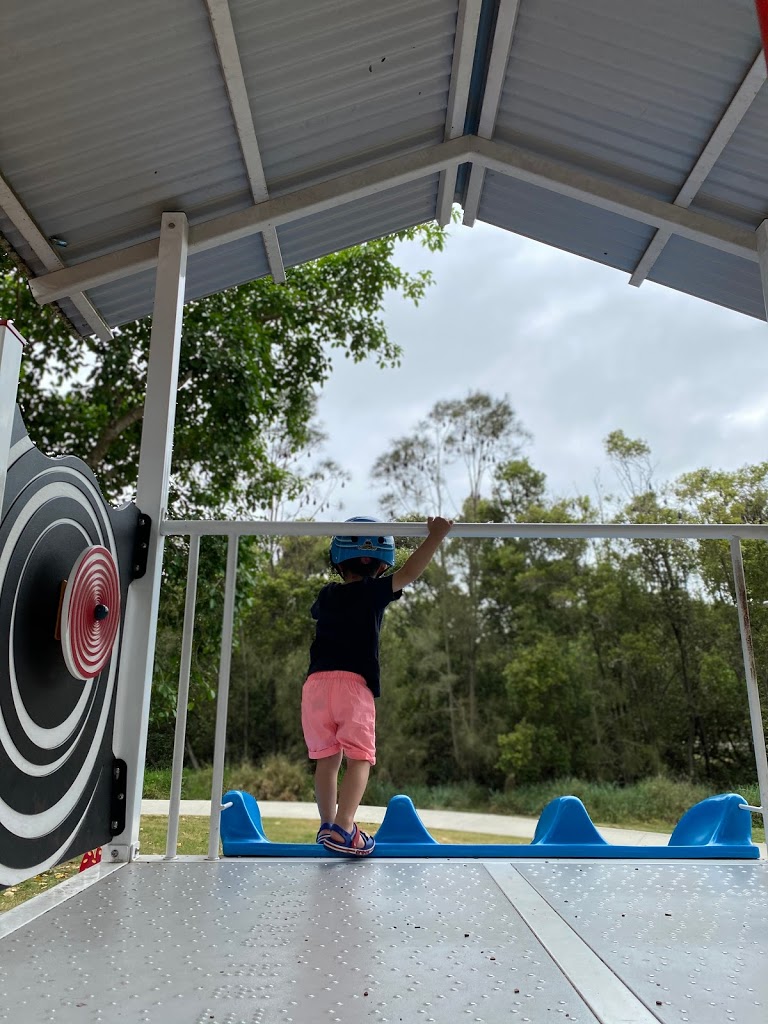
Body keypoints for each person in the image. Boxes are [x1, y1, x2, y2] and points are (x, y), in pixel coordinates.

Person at [301, 514, 453, 856]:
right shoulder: (373, 592)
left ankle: (327, 825)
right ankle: (344, 827)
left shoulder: (326, 595)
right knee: (360, 758)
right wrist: (436, 536)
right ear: (382, 567)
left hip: (315, 685)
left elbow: (318, 611)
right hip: (353, 685)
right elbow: (411, 573)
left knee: (327, 759)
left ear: (339, 563)